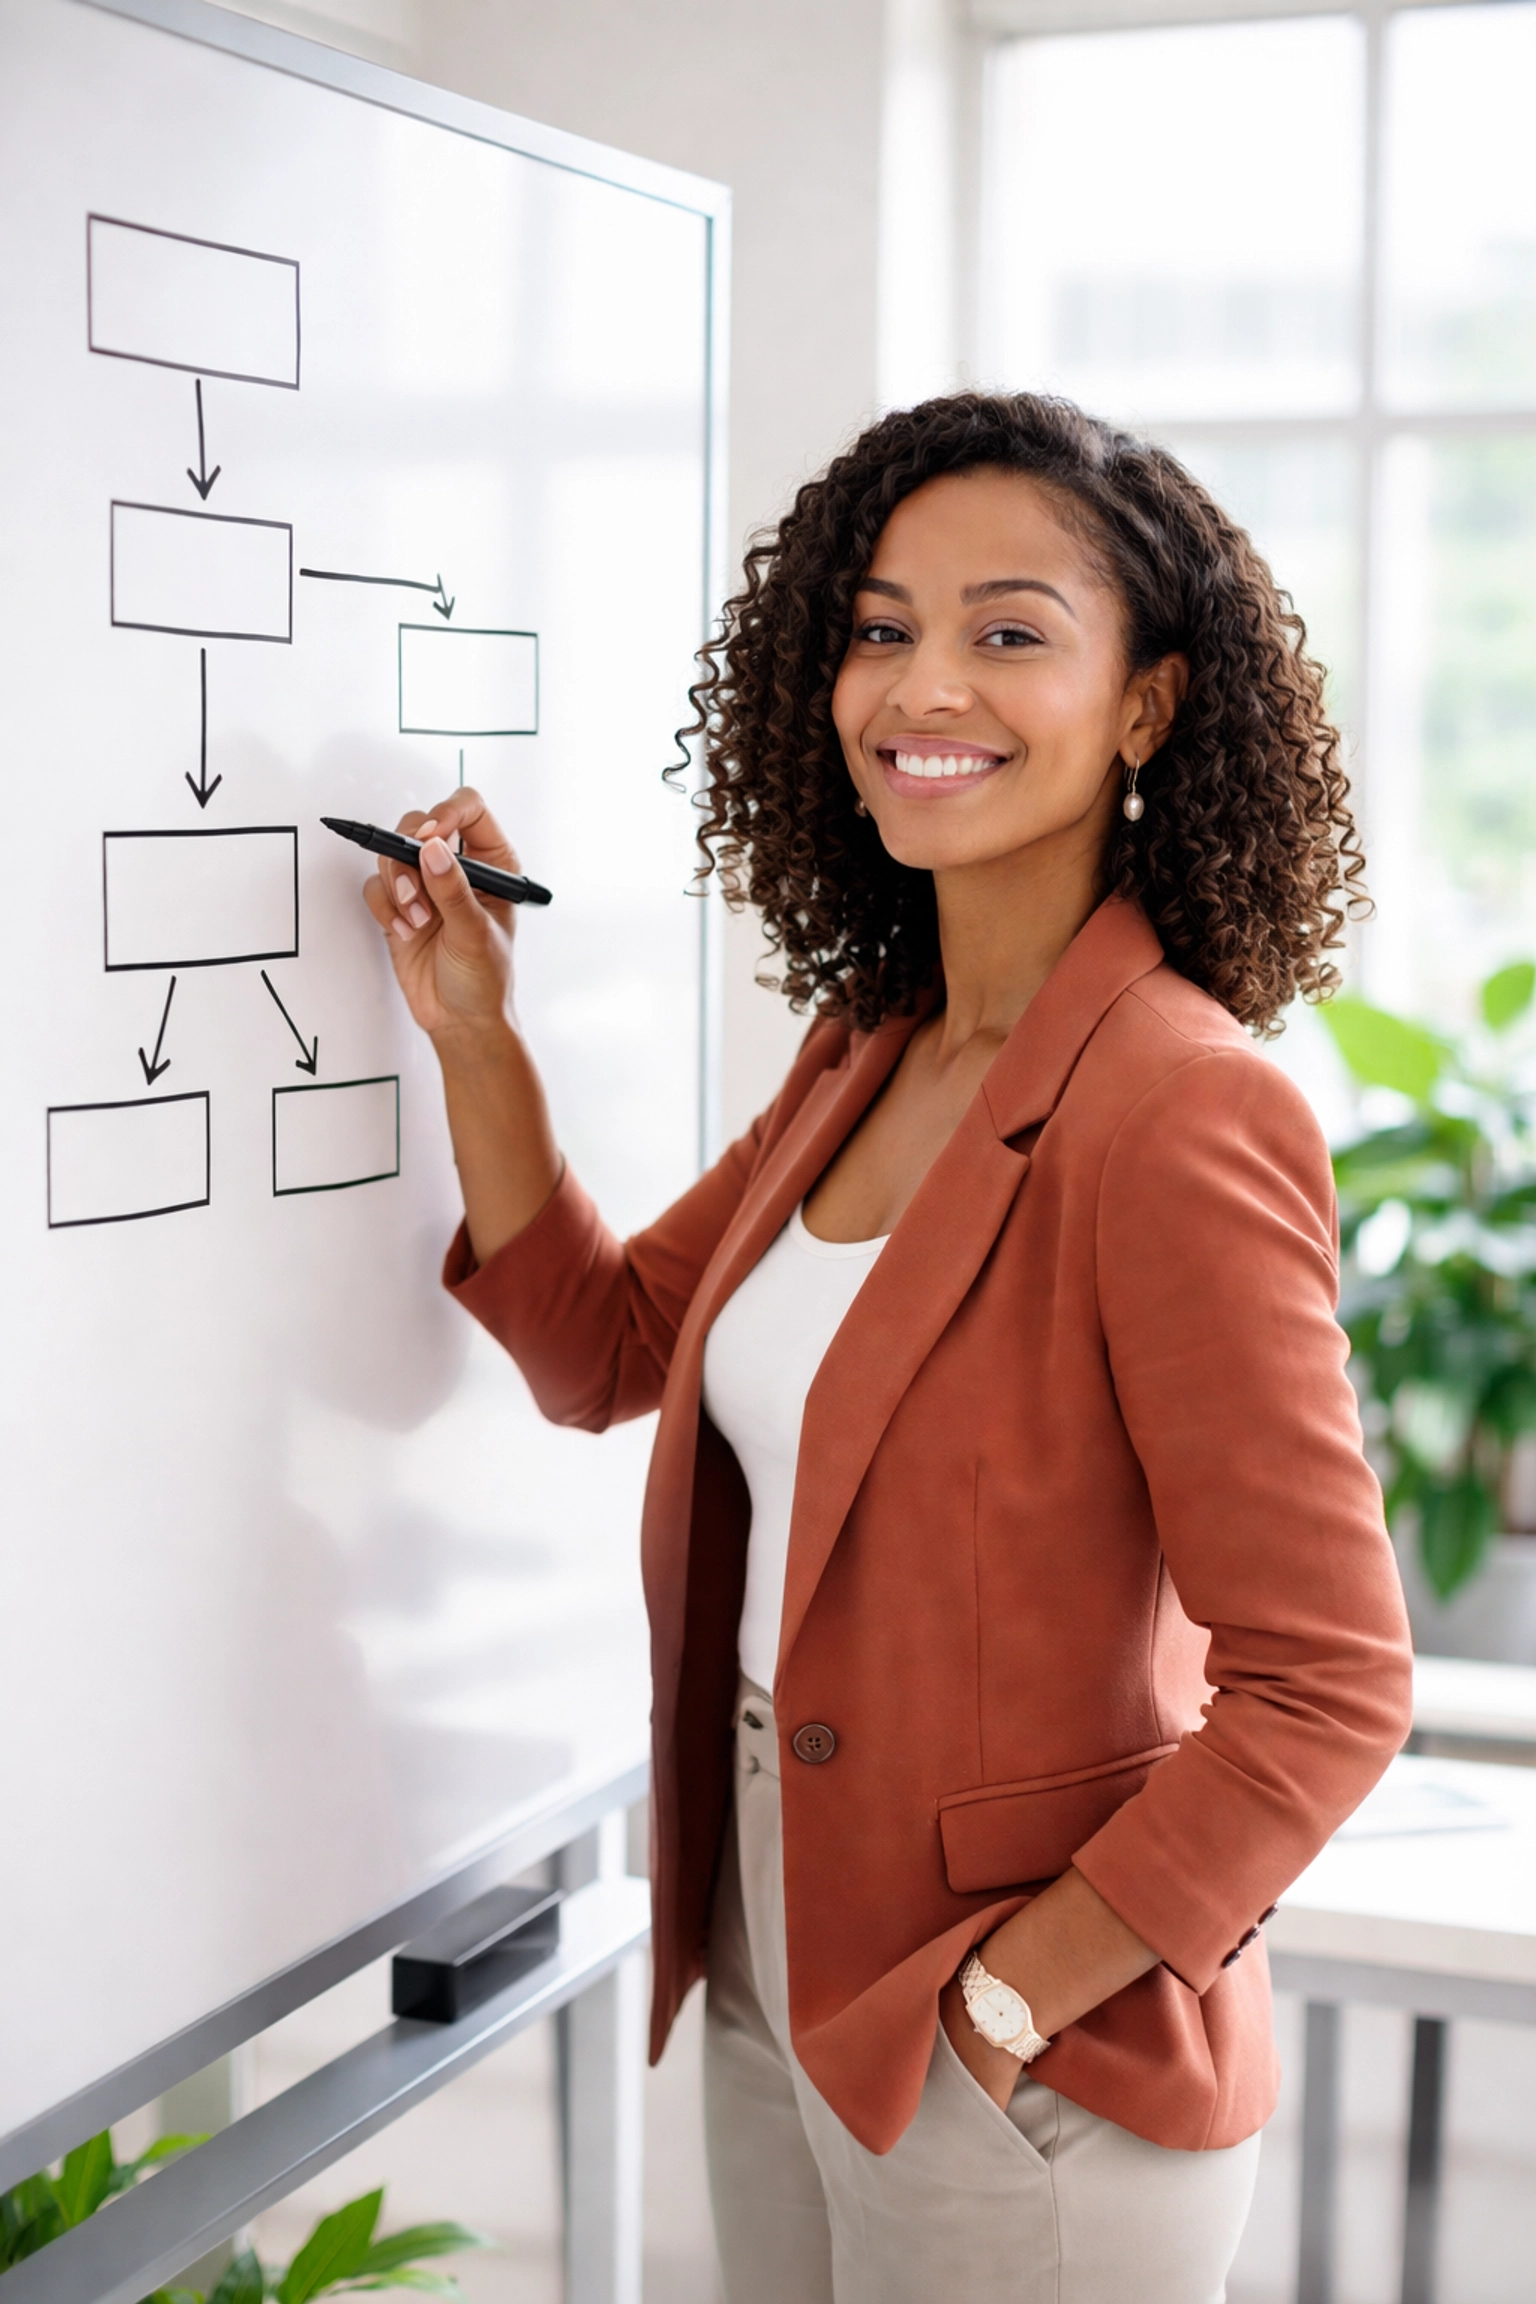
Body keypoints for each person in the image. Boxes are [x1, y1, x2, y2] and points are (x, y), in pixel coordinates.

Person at [362, 393, 1413, 2304]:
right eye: (879, 627)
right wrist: (477, 1034)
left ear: (1147, 707)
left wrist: (1011, 1995)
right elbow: (606, 1349)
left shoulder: (1179, 1108)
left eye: (1010, 631)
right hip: (779, 1937)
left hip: (1018, 2020)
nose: (926, 685)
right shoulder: (868, 1048)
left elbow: (1330, 1684)